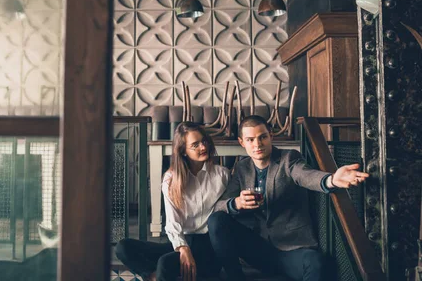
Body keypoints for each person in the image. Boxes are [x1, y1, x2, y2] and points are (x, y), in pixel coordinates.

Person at [207, 115, 369, 281]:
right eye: (250, 140)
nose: (257, 144)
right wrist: (237, 203)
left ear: (271, 135)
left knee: (317, 263)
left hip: (291, 250)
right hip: (258, 249)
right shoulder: (242, 168)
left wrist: (331, 179)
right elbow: (219, 206)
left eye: (262, 137)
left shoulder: (288, 158)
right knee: (216, 220)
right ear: (242, 142)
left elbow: (305, 175)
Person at [116, 122, 231, 281]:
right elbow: (172, 222)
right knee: (123, 247)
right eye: (195, 145)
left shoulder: (222, 175)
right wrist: (183, 248)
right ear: (183, 151)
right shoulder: (171, 179)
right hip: (182, 240)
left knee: (165, 263)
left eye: (204, 141)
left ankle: (168, 271)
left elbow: (226, 214)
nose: (203, 147)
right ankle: (153, 276)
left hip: (208, 245)